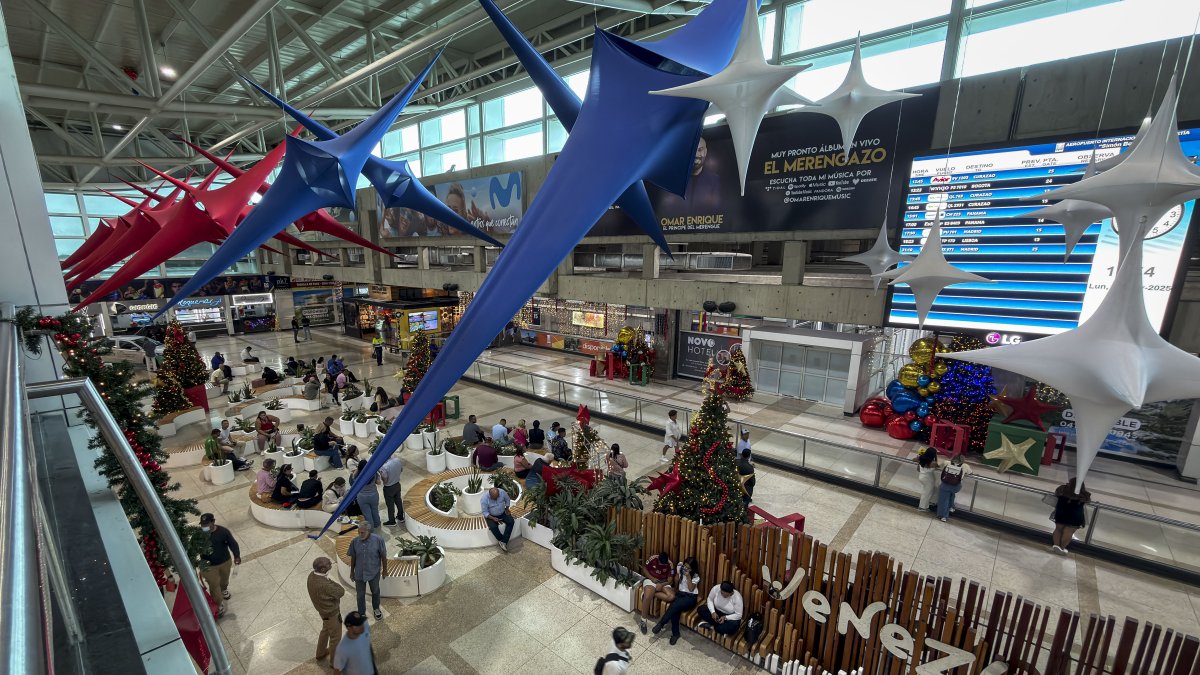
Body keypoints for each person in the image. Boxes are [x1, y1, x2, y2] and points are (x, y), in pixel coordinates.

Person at [198, 513, 240, 616]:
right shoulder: (198, 535)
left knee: (224, 580)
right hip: (208, 566)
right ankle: (219, 603)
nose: (204, 527)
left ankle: (224, 589)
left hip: (225, 562)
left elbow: (233, 544)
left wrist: (237, 556)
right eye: (202, 524)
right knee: (214, 585)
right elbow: (193, 548)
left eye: (206, 524)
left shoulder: (223, 532)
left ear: (213, 521)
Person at [652, 556, 700, 645]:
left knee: (675, 605)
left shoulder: (695, 576)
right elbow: (677, 583)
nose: (685, 568)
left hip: (690, 597)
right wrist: (677, 580)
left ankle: (661, 624)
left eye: (688, 568)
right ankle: (675, 634)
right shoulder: (680, 566)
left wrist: (688, 576)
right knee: (675, 610)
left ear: (692, 569)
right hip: (680, 594)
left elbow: (690, 589)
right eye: (685, 566)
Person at [307, 557, 345, 666]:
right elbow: (340, 591)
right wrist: (328, 579)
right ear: (323, 569)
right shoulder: (325, 584)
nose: (331, 564)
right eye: (329, 564)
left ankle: (320, 653)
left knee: (325, 630)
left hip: (322, 611)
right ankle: (335, 663)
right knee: (335, 638)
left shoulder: (311, 575)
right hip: (331, 614)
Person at [347, 524, 387, 620]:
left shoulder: (378, 540)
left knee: (375, 591)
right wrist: (352, 572)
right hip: (359, 574)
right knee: (360, 594)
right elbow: (353, 557)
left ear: (368, 531)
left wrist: (385, 570)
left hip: (374, 572)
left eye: (362, 532)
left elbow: (383, 557)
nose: (360, 534)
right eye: (359, 532)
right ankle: (361, 613)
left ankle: (376, 608)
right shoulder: (355, 541)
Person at [636, 552, 673, 633]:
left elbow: (670, 580)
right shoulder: (653, 559)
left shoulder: (670, 564)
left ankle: (649, 593)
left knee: (671, 596)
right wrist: (652, 578)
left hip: (663, 582)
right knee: (648, 596)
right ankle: (643, 620)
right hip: (651, 580)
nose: (662, 565)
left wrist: (662, 584)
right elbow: (644, 569)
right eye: (660, 563)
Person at [1052, 479, 1091, 554]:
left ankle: (1056, 546)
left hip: (1061, 512)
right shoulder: (1084, 494)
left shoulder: (1062, 489)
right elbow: (1088, 501)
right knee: (1069, 532)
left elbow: (1056, 493)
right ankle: (1061, 548)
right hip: (1075, 516)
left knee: (1058, 529)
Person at [936, 454, 972, 522]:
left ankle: (943, 516)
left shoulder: (947, 462)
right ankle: (951, 507)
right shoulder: (965, 466)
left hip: (945, 485)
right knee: (951, 494)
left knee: (943, 500)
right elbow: (970, 472)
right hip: (956, 486)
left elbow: (939, 466)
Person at [480, 486, 514, 551]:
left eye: (497, 497)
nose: (496, 499)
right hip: (491, 515)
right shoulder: (484, 499)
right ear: (490, 495)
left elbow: (507, 499)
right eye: (494, 498)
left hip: (503, 512)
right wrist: (492, 518)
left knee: (511, 521)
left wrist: (507, 509)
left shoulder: (502, 492)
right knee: (493, 527)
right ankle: (502, 540)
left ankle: (503, 542)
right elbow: (485, 512)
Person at [380, 455, 405, 526]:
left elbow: (385, 480)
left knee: (390, 505)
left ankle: (392, 521)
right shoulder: (397, 460)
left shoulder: (384, 467)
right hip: (397, 484)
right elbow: (401, 470)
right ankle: (400, 517)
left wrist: (382, 476)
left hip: (389, 488)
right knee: (398, 501)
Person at [915, 447, 939, 512]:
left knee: (927, 492)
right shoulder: (933, 463)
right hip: (928, 479)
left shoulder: (920, 458)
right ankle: (922, 507)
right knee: (926, 493)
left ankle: (926, 504)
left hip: (921, 476)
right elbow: (938, 467)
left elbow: (917, 468)